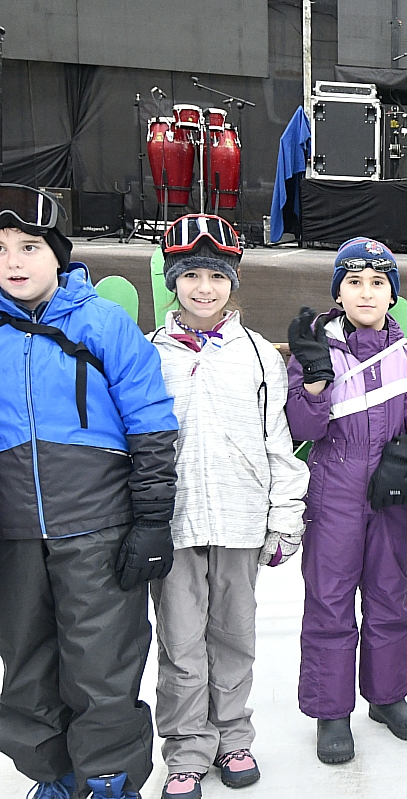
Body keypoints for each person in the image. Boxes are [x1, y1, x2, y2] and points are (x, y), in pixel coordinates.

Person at [0, 184, 179, 799]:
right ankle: (52, 775)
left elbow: (151, 422)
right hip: (15, 532)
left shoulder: (103, 323)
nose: (13, 263)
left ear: (57, 253)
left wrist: (152, 519)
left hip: (97, 530)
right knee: (26, 666)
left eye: (28, 247)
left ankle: (107, 779)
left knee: (102, 665)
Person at [148, 215, 309, 799]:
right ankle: (187, 748)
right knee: (181, 643)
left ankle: (233, 735)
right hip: (176, 523)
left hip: (241, 520)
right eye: (191, 275)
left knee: (235, 636)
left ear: (233, 282)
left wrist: (284, 516)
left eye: (216, 276)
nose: (204, 288)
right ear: (173, 280)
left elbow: (278, 444)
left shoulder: (260, 356)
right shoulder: (149, 354)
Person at [285, 237, 407, 764]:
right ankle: (331, 711)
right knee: (330, 597)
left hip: (392, 491)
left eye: (378, 283)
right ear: (338, 292)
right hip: (333, 486)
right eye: (353, 282)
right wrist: (314, 382)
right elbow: (300, 427)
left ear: (392, 295)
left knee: (389, 593)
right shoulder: (317, 350)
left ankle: (387, 696)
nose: (366, 292)